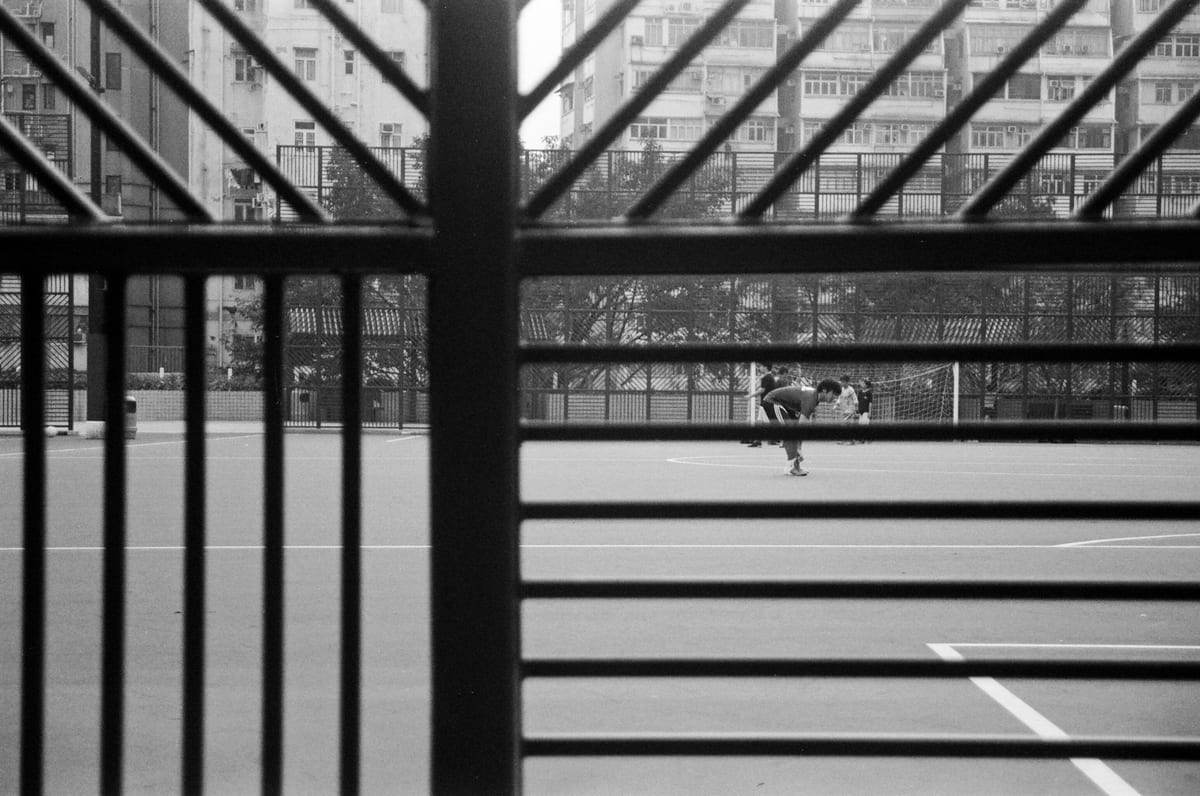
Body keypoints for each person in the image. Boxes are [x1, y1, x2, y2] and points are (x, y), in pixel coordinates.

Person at [761, 378, 842, 476]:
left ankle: (793, 467)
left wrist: (799, 448)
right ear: (824, 390)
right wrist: (798, 449)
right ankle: (791, 468)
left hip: (785, 406)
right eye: (834, 394)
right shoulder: (811, 398)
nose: (835, 398)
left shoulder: (814, 398)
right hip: (772, 402)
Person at [743, 364, 780, 447]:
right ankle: (758, 441)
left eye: (761, 366)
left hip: (766, 403)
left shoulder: (766, 377)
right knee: (761, 422)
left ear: (766, 367)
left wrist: (751, 396)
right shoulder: (771, 377)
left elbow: (762, 390)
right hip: (769, 402)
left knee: (764, 422)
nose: (760, 368)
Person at [836, 374, 859, 445]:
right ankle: (843, 440)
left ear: (847, 382)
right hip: (844, 409)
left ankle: (852, 440)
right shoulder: (841, 389)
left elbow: (855, 400)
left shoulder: (851, 389)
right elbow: (840, 398)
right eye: (841, 382)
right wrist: (837, 403)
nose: (842, 383)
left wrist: (856, 409)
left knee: (848, 425)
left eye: (843, 382)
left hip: (850, 410)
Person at [857, 378, 872, 443]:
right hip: (860, 411)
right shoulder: (860, 392)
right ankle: (861, 439)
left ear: (867, 385)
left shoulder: (869, 393)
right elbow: (858, 401)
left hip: (866, 411)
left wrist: (870, 412)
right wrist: (857, 410)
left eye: (863, 383)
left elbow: (870, 403)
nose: (862, 384)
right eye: (862, 383)